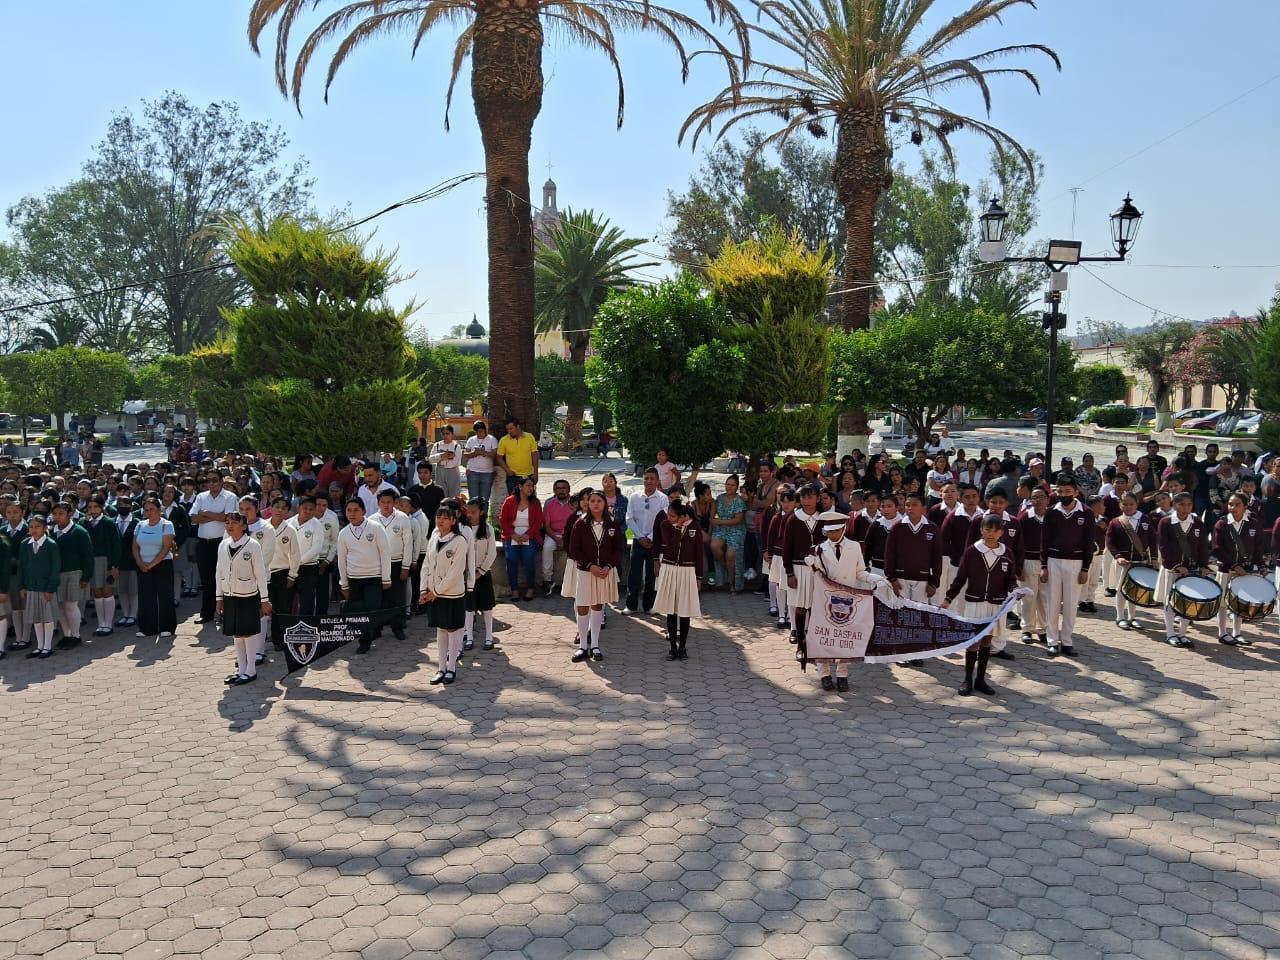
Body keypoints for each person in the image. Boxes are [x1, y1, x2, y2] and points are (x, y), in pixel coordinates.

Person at [942, 515, 1019, 697]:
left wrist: (1015, 589)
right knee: (973, 641)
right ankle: (967, 678)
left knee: (987, 640)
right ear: (981, 530)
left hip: (995, 604)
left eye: (995, 530)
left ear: (1001, 533)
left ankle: (981, 679)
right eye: (987, 529)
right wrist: (948, 598)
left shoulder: (1006, 553)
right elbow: (960, 578)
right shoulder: (972, 551)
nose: (990, 534)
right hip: (975, 602)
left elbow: (1010, 579)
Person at [804, 509, 866, 692]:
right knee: (824, 637)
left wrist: (875, 580)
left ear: (844, 529)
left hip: (847, 599)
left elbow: (860, 572)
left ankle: (842, 674)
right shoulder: (818, 549)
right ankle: (823, 673)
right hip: (825, 600)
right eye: (829, 531)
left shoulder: (854, 547)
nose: (833, 535)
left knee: (843, 638)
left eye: (836, 530)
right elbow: (815, 579)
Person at [1039, 474, 1094, 658]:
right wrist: (1043, 565)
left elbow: (1088, 542)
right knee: (1052, 603)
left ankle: (1067, 641)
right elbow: (1044, 541)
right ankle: (1052, 641)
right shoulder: (1051, 512)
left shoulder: (1086, 512)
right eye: (1060, 491)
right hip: (1054, 561)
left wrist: (1086, 568)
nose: (1064, 495)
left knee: (1071, 605)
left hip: (1076, 563)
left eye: (1068, 491)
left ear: (1076, 492)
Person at [568, 491, 626, 663]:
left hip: (603, 573)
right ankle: (582, 647)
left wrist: (608, 566)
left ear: (605, 503)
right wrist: (590, 565)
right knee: (583, 605)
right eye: (592, 501)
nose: (595, 504)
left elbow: (619, 548)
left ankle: (595, 645)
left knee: (597, 606)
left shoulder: (612, 524)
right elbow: (574, 549)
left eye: (598, 501)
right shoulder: (580, 523)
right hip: (586, 571)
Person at [420, 503, 474, 685]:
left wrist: (435, 591)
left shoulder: (459, 541)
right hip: (434, 594)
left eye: (445, 518)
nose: (440, 521)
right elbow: (426, 565)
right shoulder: (434, 538)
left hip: (452, 594)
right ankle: (441, 667)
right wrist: (424, 590)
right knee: (441, 630)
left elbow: (455, 572)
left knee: (452, 630)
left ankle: (451, 668)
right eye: (438, 517)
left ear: (453, 520)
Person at [215, 513, 271, 686]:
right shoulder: (223, 544)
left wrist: (264, 599)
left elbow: (260, 573)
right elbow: (219, 572)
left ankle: (251, 670)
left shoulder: (252, 545)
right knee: (236, 634)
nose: (230, 526)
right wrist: (219, 597)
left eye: (234, 522)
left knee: (248, 632)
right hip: (230, 595)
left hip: (248, 595)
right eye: (227, 523)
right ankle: (241, 670)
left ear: (244, 525)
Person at [1155, 491, 1211, 648]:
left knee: (1188, 601)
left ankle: (1182, 633)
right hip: (1172, 569)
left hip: (1190, 570)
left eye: (1189, 505)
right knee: (1169, 601)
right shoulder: (1166, 522)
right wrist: (1175, 565)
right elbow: (1163, 546)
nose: (1185, 508)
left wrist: (1203, 565)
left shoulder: (1197, 523)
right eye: (1181, 504)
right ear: (1174, 505)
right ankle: (1170, 633)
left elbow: (1202, 547)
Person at [337, 497, 392, 654]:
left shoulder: (375, 528)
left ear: (364, 511)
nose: (352, 514)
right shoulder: (344, 533)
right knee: (360, 614)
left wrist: (386, 577)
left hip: (374, 576)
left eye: (356, 510)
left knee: (372, 607)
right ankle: (364, 641)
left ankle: (347, 607)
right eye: (349, 510)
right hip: (354, 578)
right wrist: (344, 583)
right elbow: (341, 560)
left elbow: (385, 553)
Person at [653, 500, 705, 662]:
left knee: (684, 609)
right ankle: (672, 648)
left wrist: (699, 577)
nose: (669, 517)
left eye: (673, 515)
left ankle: (682, 647)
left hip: (687, 571)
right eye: (669, 514)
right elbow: (670, 546)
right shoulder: (665, 525)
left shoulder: (694, 527)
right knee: (671, 609)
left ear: (683, 515)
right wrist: (677, 527)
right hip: (669, 569)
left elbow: (698, 553)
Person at [1212, 492, 1264, 646]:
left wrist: (1260, 564)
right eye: (1230, 504)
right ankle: (1222, 633)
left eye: (1237, 504)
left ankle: (1237, 633)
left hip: (1244, 570)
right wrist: (1233, 565)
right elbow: (1216, 548)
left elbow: (1258, 546)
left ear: (1245, 506)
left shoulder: (1253, 524)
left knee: (1239, 602)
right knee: (1223, 602)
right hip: (1226, 569)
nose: (1233, 507)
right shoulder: (1221, 524)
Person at [190, 470, 240, 624]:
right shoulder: (201, 496)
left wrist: (206, 513)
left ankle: (226, 613)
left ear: (221, 481)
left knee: (224, 579)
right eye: (209, 480)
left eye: (214, 480)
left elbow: (229, 518)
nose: (211, 483)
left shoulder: (230, 497)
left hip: (222, 543)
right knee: (207, 581)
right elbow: (193, 518)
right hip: (204, 543)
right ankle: (207, 613)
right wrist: (216, 516)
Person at [782, 484, 823, 652]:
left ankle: (814, 643)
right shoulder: (793, 519)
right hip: (798, 569)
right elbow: (787, 548)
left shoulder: (824, 518)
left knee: (816, 607)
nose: (807, 501)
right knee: (800, 606)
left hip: (819, 570)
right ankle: (801, 644)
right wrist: (789, 573)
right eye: (804, 497)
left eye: (811, 497)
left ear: (818, 499)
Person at [1107, 491, 1155, 631]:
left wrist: (1155, 558)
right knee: (1121, 589)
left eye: (1131, 504)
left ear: (1137, 504)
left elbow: (1153, 539)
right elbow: (1110, 542)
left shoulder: (1145, 519)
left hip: (1140, 562)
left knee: (1134, 591)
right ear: (1120, 505)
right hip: (1123, 562)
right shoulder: (1115, 522)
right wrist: (1118, 556)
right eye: (1125, 504)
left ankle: (1132, 617)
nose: (1128, 507)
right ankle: (1120, 617)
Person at [884, 493, 942, 607]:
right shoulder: (897, 527)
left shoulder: (932, 528)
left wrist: (934, 583)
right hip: (900, 580)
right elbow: (889, 554)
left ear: (924, 508)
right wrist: (892, 578)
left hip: (923, 580)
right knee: (899, 613)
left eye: (915, 504)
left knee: (919, 616)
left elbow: (937, 556)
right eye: (907, 505)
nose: (910, 508)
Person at [624, 468, 669, 615]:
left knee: (651, 575)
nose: (648, 481)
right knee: (634, 574)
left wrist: (650, 537)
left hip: (654, 542)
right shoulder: (634, 497)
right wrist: (640, 537)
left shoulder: (663, 498)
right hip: (638, 541)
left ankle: (649, 605)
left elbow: (664, 521)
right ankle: (631, 605)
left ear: (657, 481)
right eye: (646, 478)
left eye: (652, 478)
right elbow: (629, 518)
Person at [132, 496, 177, 641]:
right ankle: (147, 628)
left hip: (162, 564)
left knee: (165, 596)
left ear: (159, 510)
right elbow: (135, 546)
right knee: (146, 597)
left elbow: (166, 547)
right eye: (146, 510)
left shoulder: (166, 524)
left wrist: (151, 564)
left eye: (152, 509)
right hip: (143, 566)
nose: (149, 512)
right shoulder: (140, 525)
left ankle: (167, 627)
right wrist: (140, 563)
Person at [49, 502, 92, 649]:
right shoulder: (51, 532)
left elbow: (87, 556)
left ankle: (76, 635)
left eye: (61, 513)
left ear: (69, 514)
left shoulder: (79, 532)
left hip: (74, 573)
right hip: (57, 574)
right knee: (60, 606)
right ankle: (66, 635)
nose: (57, 517)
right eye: (55, 514)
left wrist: (86, 576)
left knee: (71, 605)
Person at [370, 490, 411, 641]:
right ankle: (377, 628)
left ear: (394, 503)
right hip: (378, 564)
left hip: (396, 563)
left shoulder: (402, 518)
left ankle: (398, 627)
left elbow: (408, 543)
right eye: (383, 502)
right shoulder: (372, 519)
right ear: (378, 503)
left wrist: (405, 566)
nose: (386, 505)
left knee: (397, 597)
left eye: (389, 502)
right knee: (378, 597)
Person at [18, 514, 59, 658]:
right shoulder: (25, 544)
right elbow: (21, 566)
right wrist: (22, 586)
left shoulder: (51, 545)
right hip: (31, 587)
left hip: (45, 587)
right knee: (36, 617)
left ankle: (47, 646)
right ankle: (39, 646)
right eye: (31, 527)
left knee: (47, 618)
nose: (34, 530)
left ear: (45, 528)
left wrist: (50, 588)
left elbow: (55, 569)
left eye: (38, 527)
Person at [240, 496, 275, 664]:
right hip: (239, 580)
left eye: (248, 509)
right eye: (242, 509)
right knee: (244, 614)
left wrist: (251, 571)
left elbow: (267, 554)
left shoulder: (266, 528)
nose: (245, 513)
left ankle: (259, 651)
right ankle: (246, 651)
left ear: (256, 509)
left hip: (259, 577)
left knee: (260, 613)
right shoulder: (234, 526)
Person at [499, 477, 543, 601]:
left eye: (532, 486)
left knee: (528, 558)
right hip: (512, 535)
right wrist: (512, 534)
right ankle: (514, 590)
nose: (531, 488)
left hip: (530, 535)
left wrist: (528, 535)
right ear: (520, 486)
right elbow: (503, 520)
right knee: (511, 559)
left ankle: (530, 589)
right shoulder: (509, 501)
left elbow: (539, 522)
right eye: (528, 485)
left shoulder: (535, 502)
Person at [83, 496, 121, 638]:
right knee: (97, 592)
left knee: (107, 591)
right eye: (90, 507)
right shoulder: (84, 522)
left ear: (101, 507)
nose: (93, 510)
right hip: (91, 561)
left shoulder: (108, 522)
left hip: (106, 560)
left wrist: (114, 565)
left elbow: (115, 545)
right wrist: (87, 523)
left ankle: (108, 624)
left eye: (96, 507)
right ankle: (101, 623)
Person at [463, 498, 498, 650]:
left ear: (481, 512)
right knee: (469, 607)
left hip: (483, 574)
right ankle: (469, 637)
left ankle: (489, 637)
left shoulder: (488, 529)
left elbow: (491, 553)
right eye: (468, 512)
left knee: (487, 606)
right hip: (466, 574)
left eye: (473, 512)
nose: (470, 515)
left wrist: (481, 571)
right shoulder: (463, 529)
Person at [709, 474, 747, 593]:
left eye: (732, 485)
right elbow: (713, 515)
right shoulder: (719, 498)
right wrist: (714, 521)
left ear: (737, 487)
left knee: (731, 555)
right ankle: (724, 570)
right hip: (721, 529)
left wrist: (720, 521)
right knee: (714, 546)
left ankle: (733, 583)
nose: (729, 487)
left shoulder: (739, 500)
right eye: (728, 484)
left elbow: (738, 519)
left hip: (736, 529)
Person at [764, 488, 796, 629]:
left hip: (792, 558)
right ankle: (781, 615)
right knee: (779, 585)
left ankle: (790, 615)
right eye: (783, 502)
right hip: (778, 556)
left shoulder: (797, 518)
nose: (786, 504)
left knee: (790, 587)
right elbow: (770, 538)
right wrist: (770, 555)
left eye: (789, 501)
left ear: (795, 502)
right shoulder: (776, 518)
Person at [541, 479, 575, 598]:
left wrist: (565, 539)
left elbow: (576, 524)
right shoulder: (549, 503)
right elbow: (546, 526)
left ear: (569, 489)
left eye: (563, 488)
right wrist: (557, 539)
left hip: (571, 535)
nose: (561, 491)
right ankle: (548, 580)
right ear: (554, 490)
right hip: (553, 534)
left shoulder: (574, 503)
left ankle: (574, 581)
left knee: (576, 551)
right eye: (558, 488)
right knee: (547, 548)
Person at [4, 502, 29, 651]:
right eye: (9, 512)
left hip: (25, 574)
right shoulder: (2, 530)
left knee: (24, 605)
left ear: (22, 513)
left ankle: (26, 637)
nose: (12, 516)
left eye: (15, 512)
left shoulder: (28, 529)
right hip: (10, 575)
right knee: (15, 607)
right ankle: (18, 637)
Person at [111, 497, 140, 628]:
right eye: (119, 504)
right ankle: (125, 614)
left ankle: (133, 615)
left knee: (133, 590)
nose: (122, 507)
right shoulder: (113, 523)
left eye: (125, 504)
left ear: (131, 506)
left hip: (133, 562)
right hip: (118, 563)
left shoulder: (137, 522)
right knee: (122, 590)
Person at [496, 418, 539, 495]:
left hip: (528, 476)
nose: (509, 431)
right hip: (513, 477)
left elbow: (534, 455)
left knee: (529, 500)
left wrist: (535, 473)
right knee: (514, 501)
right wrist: (507, 470)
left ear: (518, 427)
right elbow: (499, 457)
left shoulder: (530, 437)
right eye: (507, 429)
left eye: (511, 428)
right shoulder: (504, 440)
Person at [462, 421, 498, 502]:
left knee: (484, 500)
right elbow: (465, 454)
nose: (479, 433)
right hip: (472, 472)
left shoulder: (492, 439)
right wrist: (474, 453)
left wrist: (484, 453)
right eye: (477, 431)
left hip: (487, 473)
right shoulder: (471, 440)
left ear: (485, 430)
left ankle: (483, 514)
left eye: (481, 431)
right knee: (473, 500)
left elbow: (494, 454)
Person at [428, 426, 463, 498]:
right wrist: (441, 455)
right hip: (440, 470)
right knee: (441, 494)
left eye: (447, 433)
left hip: (453, 471)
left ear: (452, 434)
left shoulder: (456, 446)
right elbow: (431, 459)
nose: (445, 436)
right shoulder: (437, 445)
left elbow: (456, 462)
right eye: (443, 434)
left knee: (454, 495)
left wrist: (441, 459)